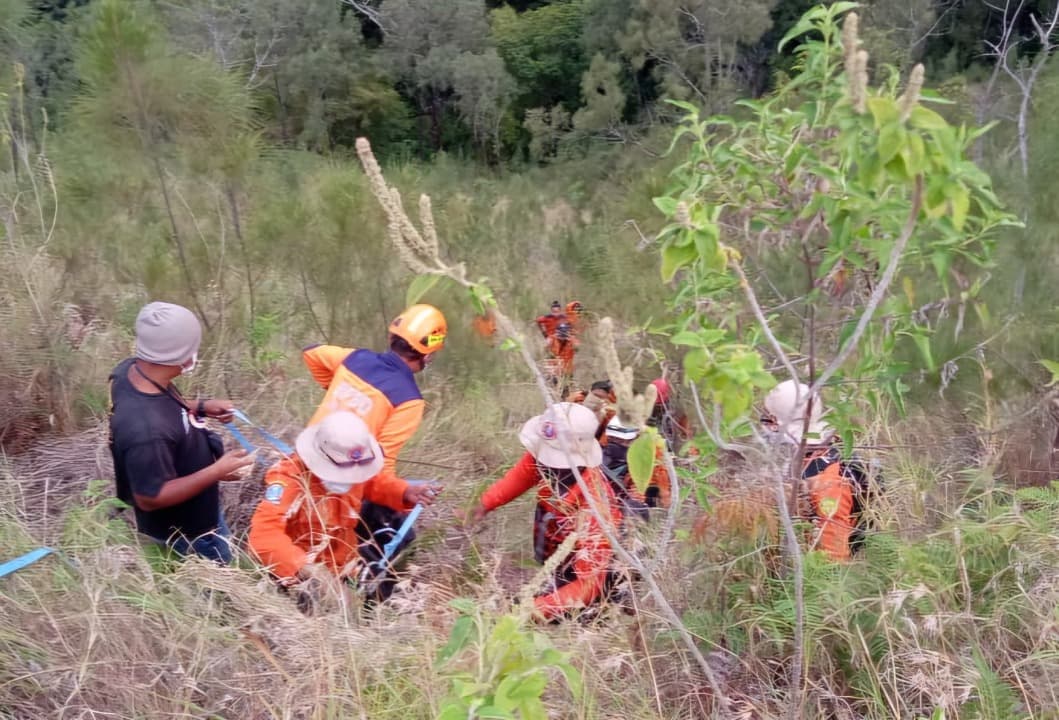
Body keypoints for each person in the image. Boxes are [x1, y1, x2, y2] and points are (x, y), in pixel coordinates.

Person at [108, 301, 255, 563]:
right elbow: (150, 497)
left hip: (199, 509)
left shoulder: (131, 371)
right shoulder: (145, 431)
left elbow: (159, 404)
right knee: (215, 583)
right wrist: (217, 471)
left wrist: (200, 407)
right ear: (183, 357)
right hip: (188, 534)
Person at [247, 411, 441, 606]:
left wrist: (404, 491)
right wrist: (306, 570)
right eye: (342, 473)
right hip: (299, 576)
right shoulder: (289, 480)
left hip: (344, 565)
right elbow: (263, 537)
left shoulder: (357, 467)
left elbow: (373, 482)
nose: (351, 479)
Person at [466, 403, 623, 621]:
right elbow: (522, 474)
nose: (539, 459)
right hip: (553, 543)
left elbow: (589, 585)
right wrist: (483, 504)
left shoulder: (596, 505)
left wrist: (534, 609)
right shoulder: (544, 460)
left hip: (582, 577)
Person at [300, 304, 446, 512]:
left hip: (300, 465)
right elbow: (382, 462)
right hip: (336, 491)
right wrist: (397, 495)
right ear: (428, 355)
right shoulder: (410, 400)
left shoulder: (354, 359)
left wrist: (334, 387)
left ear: (391, 337)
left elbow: (311, 354)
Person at [761, 380, 876, 561]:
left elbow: (834, 559)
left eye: (769, 418)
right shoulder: (821, 450)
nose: (764, 424)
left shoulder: (827, 480)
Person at [600, 417, 672, 516]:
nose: (617, 444)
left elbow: (663, 492)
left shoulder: (651, 454)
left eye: (622, 441)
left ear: (636, 438)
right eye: (613, 439)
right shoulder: (606, 445)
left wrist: (639, 494)